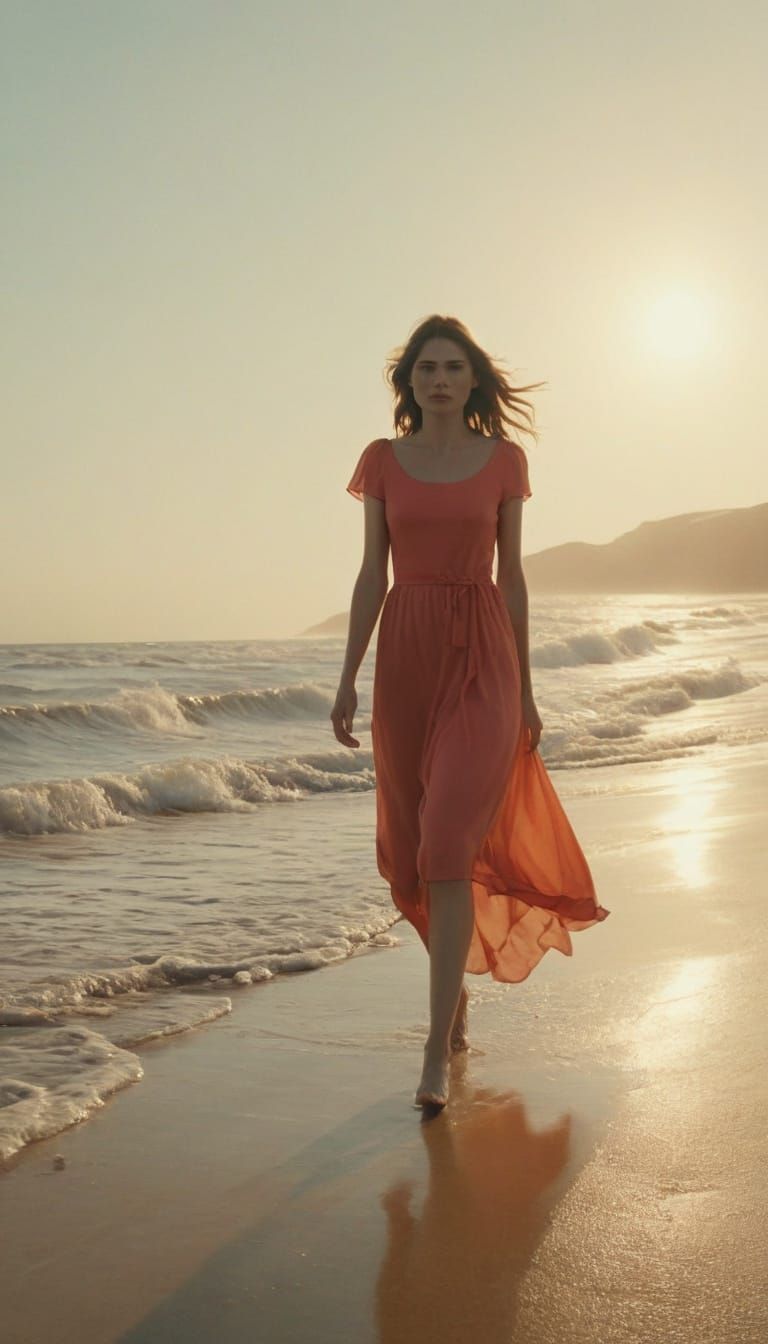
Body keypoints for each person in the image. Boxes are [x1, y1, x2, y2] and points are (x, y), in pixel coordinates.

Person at [331, 314, 609, 1112]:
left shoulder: (505, 460)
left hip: (482, 655)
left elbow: (513, 578)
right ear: (409, 381)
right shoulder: (382, 461)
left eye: (453, 366)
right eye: (426, 367)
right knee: (419, 848)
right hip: (406, 659)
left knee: (450, 838)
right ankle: (450, 1001)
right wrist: (347, 676)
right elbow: (368, 576)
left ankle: (430, 1051)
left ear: (473, 378)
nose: (440, 378)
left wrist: (525, 689)